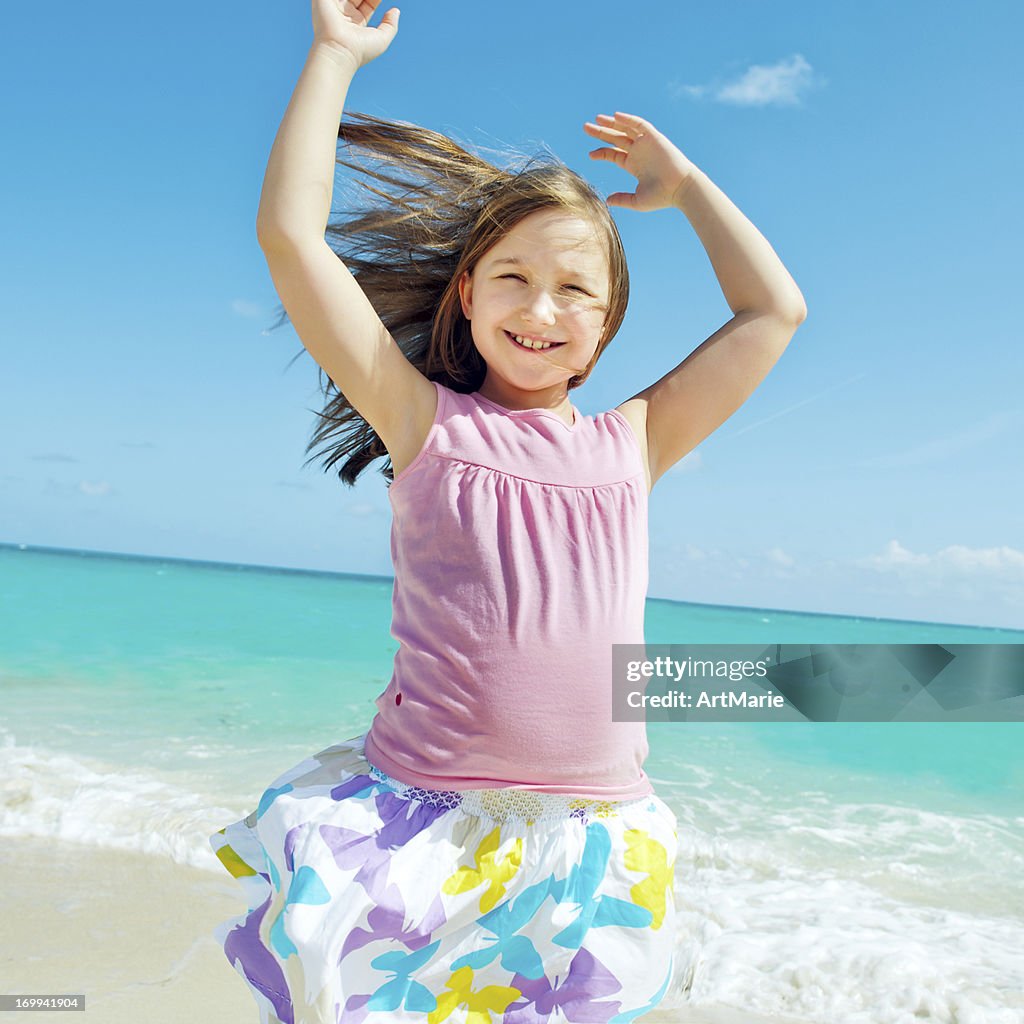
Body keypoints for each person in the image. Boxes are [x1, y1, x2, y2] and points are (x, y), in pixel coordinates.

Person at [208, 2, 807, 1021]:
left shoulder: (633, 441)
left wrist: (691, 189)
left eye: (575, 288)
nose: (540, 309)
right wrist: (333, 56)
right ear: (468, 299)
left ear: (607, 323)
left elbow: (772, 312)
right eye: (513, 280)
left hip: (591, 834)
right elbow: (291, 237)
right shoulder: (424, 424)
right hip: (423, 822)